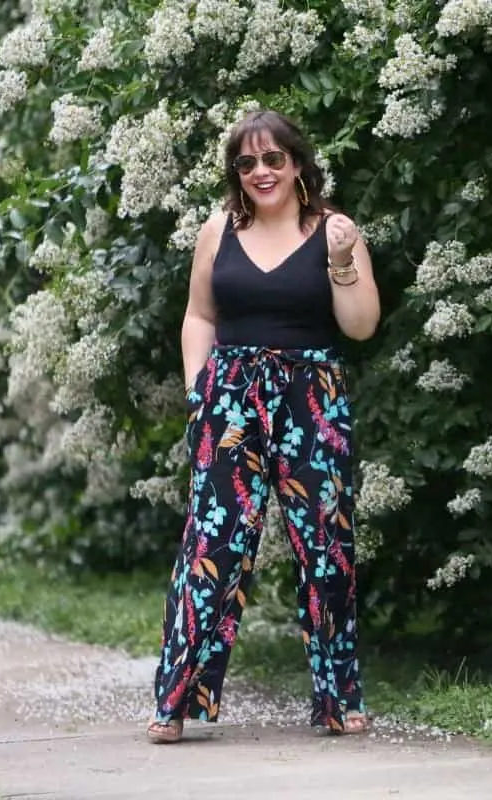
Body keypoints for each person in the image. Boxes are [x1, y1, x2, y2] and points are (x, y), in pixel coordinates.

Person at [147, 109, 381, 744]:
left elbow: (360, 326)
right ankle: (175, 701)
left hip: (313, 400)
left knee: (325, 549)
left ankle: (339, 697)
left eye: (272, 159)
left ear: (297, 162)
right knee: (211, 547)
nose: (260, 172)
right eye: (246, 163)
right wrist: (200, 389)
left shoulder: (335, 230)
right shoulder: (218, 228)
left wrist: (340, 262)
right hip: (230, 401)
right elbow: (198, 316)